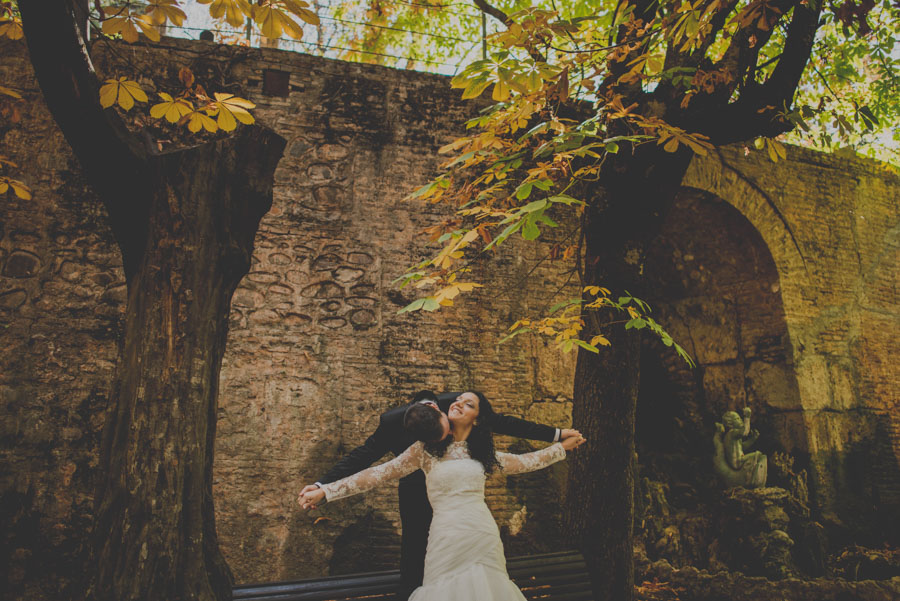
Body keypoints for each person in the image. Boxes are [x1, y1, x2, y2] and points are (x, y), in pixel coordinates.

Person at [299, 392, 585, 601]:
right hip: (444, 534)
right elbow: (377, 473)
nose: (458, 403)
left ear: (478, 418)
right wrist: (326, 490)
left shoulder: (483, 453)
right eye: (458, 400)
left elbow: (524, 462)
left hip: (480, 533)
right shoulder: (422, 450)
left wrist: (560, 444)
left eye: (468, 403)